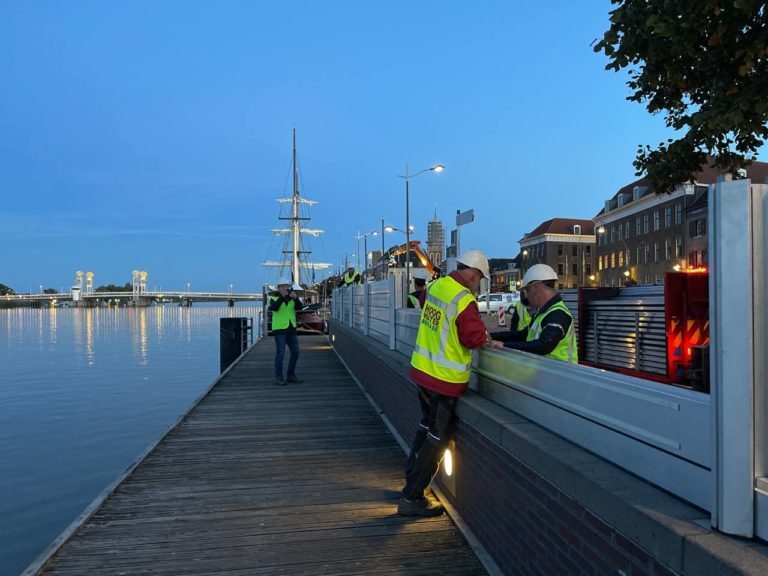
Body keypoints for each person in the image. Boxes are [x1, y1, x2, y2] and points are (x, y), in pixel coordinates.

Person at [398, 250, 492, 517]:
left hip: (422, 371)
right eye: (479, 280)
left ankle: (410, 478)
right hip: (443, 380)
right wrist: (486, 335)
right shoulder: (463, 299)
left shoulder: (437, 285)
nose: (478, 286)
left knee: (424, 428)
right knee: (436, 439)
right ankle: (412, 496)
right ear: (474, 275)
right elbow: (473, 338)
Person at [490, 264, 577, 363]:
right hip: (549, 372)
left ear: (536, 288)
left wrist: (505, 346)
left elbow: (545, 345)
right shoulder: (544, 313)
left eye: (527, 290)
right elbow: (523, 334)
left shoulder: (557, 314)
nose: (526, 297)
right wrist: (492, 336)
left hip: (561, 374)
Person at [269, 277, 304, 386]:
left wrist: (296, 298)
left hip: (290, 328)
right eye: (283, 286)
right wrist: (282, 297)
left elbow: (300, 308)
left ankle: (291, 375)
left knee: (296, 351)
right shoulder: (274, 298)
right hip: (279, 329)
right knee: (280, 353)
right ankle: (279, 377)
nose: (286, 288)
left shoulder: (292, 298)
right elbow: (274, 308)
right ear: (279, 288)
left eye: (287, 286)